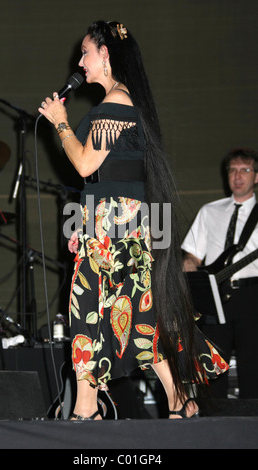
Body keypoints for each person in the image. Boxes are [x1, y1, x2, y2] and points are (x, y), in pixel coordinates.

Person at [39, 20, 228, 420]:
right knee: (134, 313)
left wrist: (60, 121)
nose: (80, 61)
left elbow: (86, 161)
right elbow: (100, 176)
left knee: (93, 310)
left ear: (105, 55)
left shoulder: (118, 103)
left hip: (116, 225)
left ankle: (90, 408)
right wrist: (82, 223)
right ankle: (173, 400)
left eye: (86, 52)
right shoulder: (115, 104)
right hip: (106, 221)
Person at [182, 148, 258, 399]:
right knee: (212, 367)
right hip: (215, 296)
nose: (238, 176)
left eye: (245, 170)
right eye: (233, 170)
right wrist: (188, 277)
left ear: (256, 177)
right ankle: (213, 424)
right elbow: (193, 256)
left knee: (252, 367)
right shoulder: (209, 211)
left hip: (252, 295)